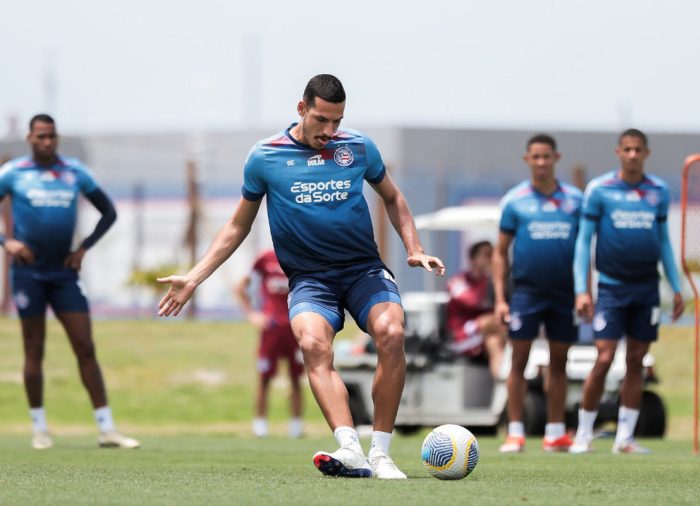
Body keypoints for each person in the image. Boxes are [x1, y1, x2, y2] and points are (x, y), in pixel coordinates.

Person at [157, 74, 444, 479]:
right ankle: (351, 449)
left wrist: (414, 248)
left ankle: (381, 454)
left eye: (337, 121)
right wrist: (195, 277)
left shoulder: (359, 147)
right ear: (302, 109)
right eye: (322, 120)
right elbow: (237, 226)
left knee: (393, 333)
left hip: (363, 270)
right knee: (312, 344)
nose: (329, 131)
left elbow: (393, 198)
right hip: (311, 279)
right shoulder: (265, 157)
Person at [0, 114, 139, 450]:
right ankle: (40, 430)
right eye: (41, 136)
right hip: (29, 274)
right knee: (34, 348)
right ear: (30, 139)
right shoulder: (13, 173)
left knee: (85, 346)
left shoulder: (74, 172)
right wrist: (7, 242)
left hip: (64, 273)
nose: (47, 142)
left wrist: (84, 248)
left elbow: (109, 212)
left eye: (52, 136)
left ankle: (107, 429)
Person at [570, 128, 684, 454]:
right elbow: (583, 241)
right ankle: (583, 434)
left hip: (647, 289)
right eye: (628, 149)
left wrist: (676, 287)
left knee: (636, 360)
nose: (633, 155)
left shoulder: (658, 191)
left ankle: (625, 438)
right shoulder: (600, 190)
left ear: (646, 153)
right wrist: (582, 289)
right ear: (618, 152)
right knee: (605, 357)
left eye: (638, 150)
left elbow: (664, 242)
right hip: (611, 289)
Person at [492, 134, 583, 453]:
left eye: (547, 156)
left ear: (556, 158)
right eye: (536, 156)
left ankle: (555, 432)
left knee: (560, 361)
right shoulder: (515, 201)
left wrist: (584, 291)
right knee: (519, 360)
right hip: (526, 293)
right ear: (527, 159)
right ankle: (515, 431)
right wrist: (500, 299)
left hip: (564, 294)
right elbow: (500, 252)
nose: (542, 162)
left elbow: (585, 249)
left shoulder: (575, 200)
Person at [234, 249, 304, 439]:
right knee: (264, 378)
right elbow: (240, 287)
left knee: (296, 378)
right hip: (271, 328)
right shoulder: (265, 259)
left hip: (295, 327)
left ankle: (296, 428)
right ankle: (260, 427)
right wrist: (251, 314)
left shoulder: (302, 254)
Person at [446, 240, 505, 378]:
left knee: (494, 340)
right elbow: (474, 302)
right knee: (496, 320)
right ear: (473, 259)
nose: (491, 259)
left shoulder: (492, 281)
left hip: (488, 333)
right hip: (463, 335)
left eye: (493, 255)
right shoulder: (458, 282)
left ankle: (503, 384)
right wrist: (493, 276)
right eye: (486, 255)